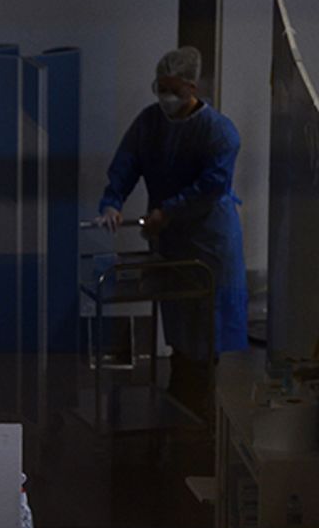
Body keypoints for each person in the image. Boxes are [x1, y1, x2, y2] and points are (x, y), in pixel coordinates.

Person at [98, 46, 248, 410]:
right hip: (170, 237)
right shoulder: (149, 123)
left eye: (173, 90)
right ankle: (181, 397)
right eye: (160, 88)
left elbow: (211, 186)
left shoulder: (220, 132)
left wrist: (168, 211)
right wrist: (112, 202)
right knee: (179, 322)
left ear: (192, 88)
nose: (165, 98)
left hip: (210, 238)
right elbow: (127, 162)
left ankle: (206, 411)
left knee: (207, 324)